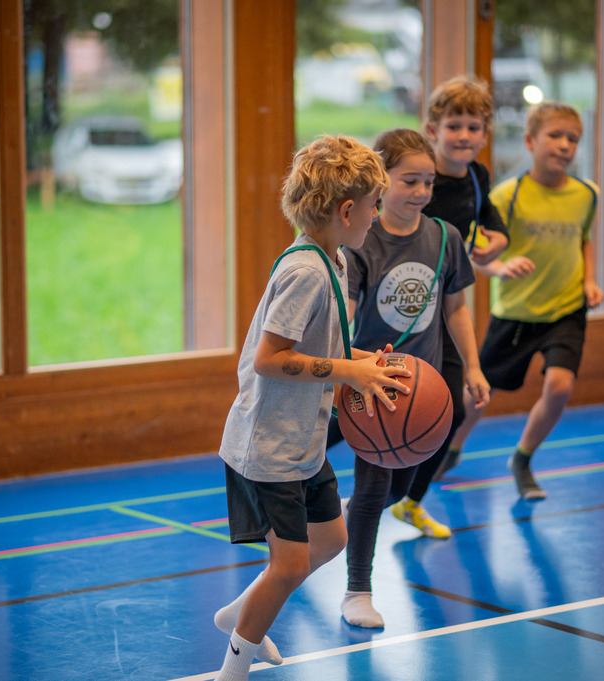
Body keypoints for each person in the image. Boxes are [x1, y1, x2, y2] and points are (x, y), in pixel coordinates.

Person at [211, 135, 411, 681]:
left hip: (302, 438)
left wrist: (369, 363)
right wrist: (350, 371)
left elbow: (325, 346)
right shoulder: (305, 271)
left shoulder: (336, 258)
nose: (376, 217)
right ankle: (232, 670)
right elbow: (269, 359)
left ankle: (240, 610)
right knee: (290, 565)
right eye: (374, 207)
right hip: (269, 445)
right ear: (348, 211)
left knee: (332, 539)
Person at [330, 128, 490, 629]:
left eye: (428, 182)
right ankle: (357, 591)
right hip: (370, 383)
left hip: (420, 384)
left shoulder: (445, 237)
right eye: (409, 181)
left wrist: (473, 365)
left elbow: (457, 308)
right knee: (373, 486)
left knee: (394, 489)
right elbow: (345, 316)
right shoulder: (362, 242)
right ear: (381, 183)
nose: (421, 191)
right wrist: (354, 368)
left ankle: (346, 511)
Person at [388, 75, 509, 531]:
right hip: (401, 309)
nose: (464, 136)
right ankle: (299, 484)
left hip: (447, 311)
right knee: (349, 417)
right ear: (432, 129)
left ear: (485, 133)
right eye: (454, 125)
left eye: (474, 127)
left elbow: (493, 225)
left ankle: (410, 501)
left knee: (453, 410)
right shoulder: (422, 179)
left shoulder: (478, 178)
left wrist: (494, 244)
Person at [471, 101, 604, 501]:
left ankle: (523, 459)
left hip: (566, 309)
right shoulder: (507, 195)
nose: (564, 145)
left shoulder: (586, 194)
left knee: (560, 386)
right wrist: (502, 265)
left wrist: (590, 282)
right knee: (476, 395)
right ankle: (450, 449)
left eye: (573, 139)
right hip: (515, 312)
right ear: (530, 141)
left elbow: (583, 240)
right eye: (555, 136)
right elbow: (480, 252)